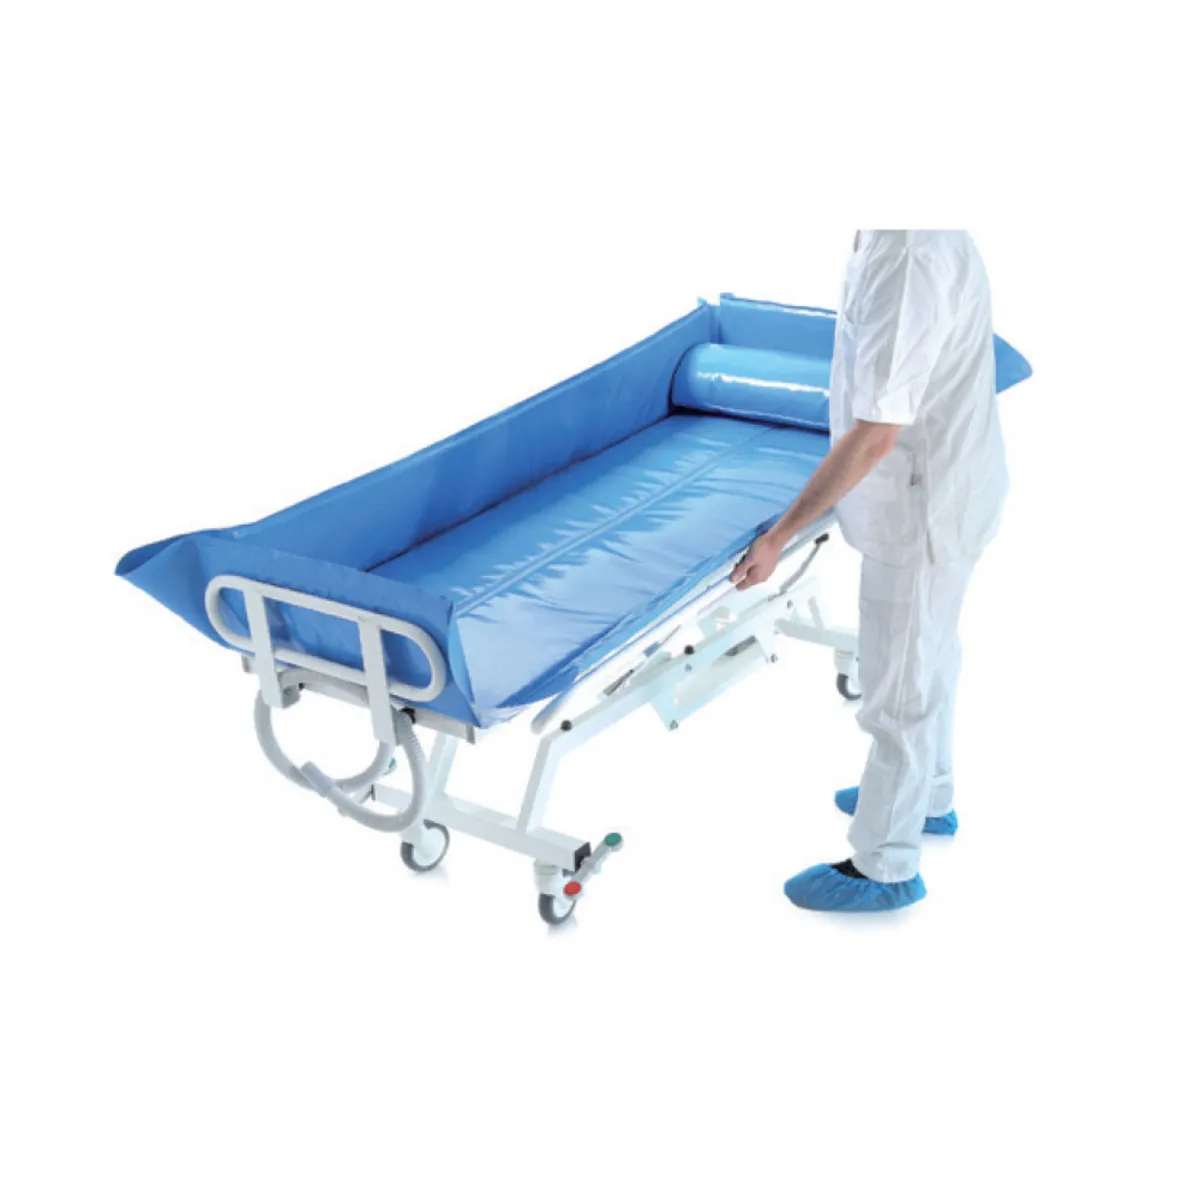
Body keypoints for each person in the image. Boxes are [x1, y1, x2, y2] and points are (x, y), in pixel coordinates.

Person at [730, 230, 1007, 912]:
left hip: (923, 506)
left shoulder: (908, 253)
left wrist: (779, 535)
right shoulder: (903, 231)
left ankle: (885, 861)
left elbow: (878, 432)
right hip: (944, 488)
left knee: (900, 687)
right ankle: (926, 795)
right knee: (929, 657)